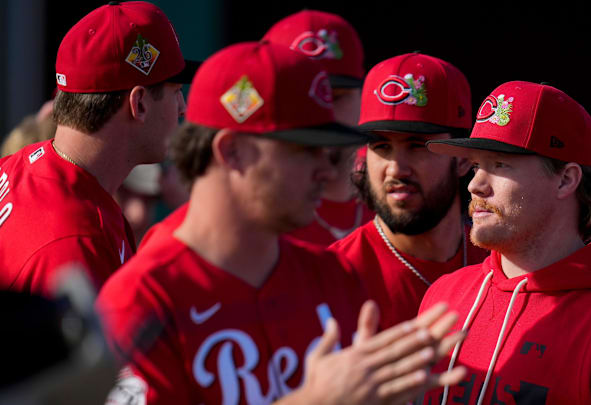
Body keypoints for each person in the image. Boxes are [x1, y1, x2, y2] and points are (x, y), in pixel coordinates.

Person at [96, 41, 467, 405]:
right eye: (304, 149)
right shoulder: (142, 301)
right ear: (232, 151)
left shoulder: (333, 277)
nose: (326, 168)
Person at [418, 81, 591, 404]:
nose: (475, 185)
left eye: (500, 164)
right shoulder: (443, 295)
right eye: (477, 165)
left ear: (566, 179)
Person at [0, 1, 195, 295]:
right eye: (176, 92)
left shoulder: (21, 164)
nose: (182, 108)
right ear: (139, 104)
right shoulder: (73, 244)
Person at [329, 53, 489, 331]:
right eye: (381, 147)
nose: (395, 169)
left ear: (463, 157)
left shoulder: (500, 264)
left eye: (417, 145)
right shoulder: (333, 276)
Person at [263, 9, 373, 246]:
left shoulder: (397, 213)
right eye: (301, 98)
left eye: (335, 96)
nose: (321, 114)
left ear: (362, 97)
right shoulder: (251, 226)